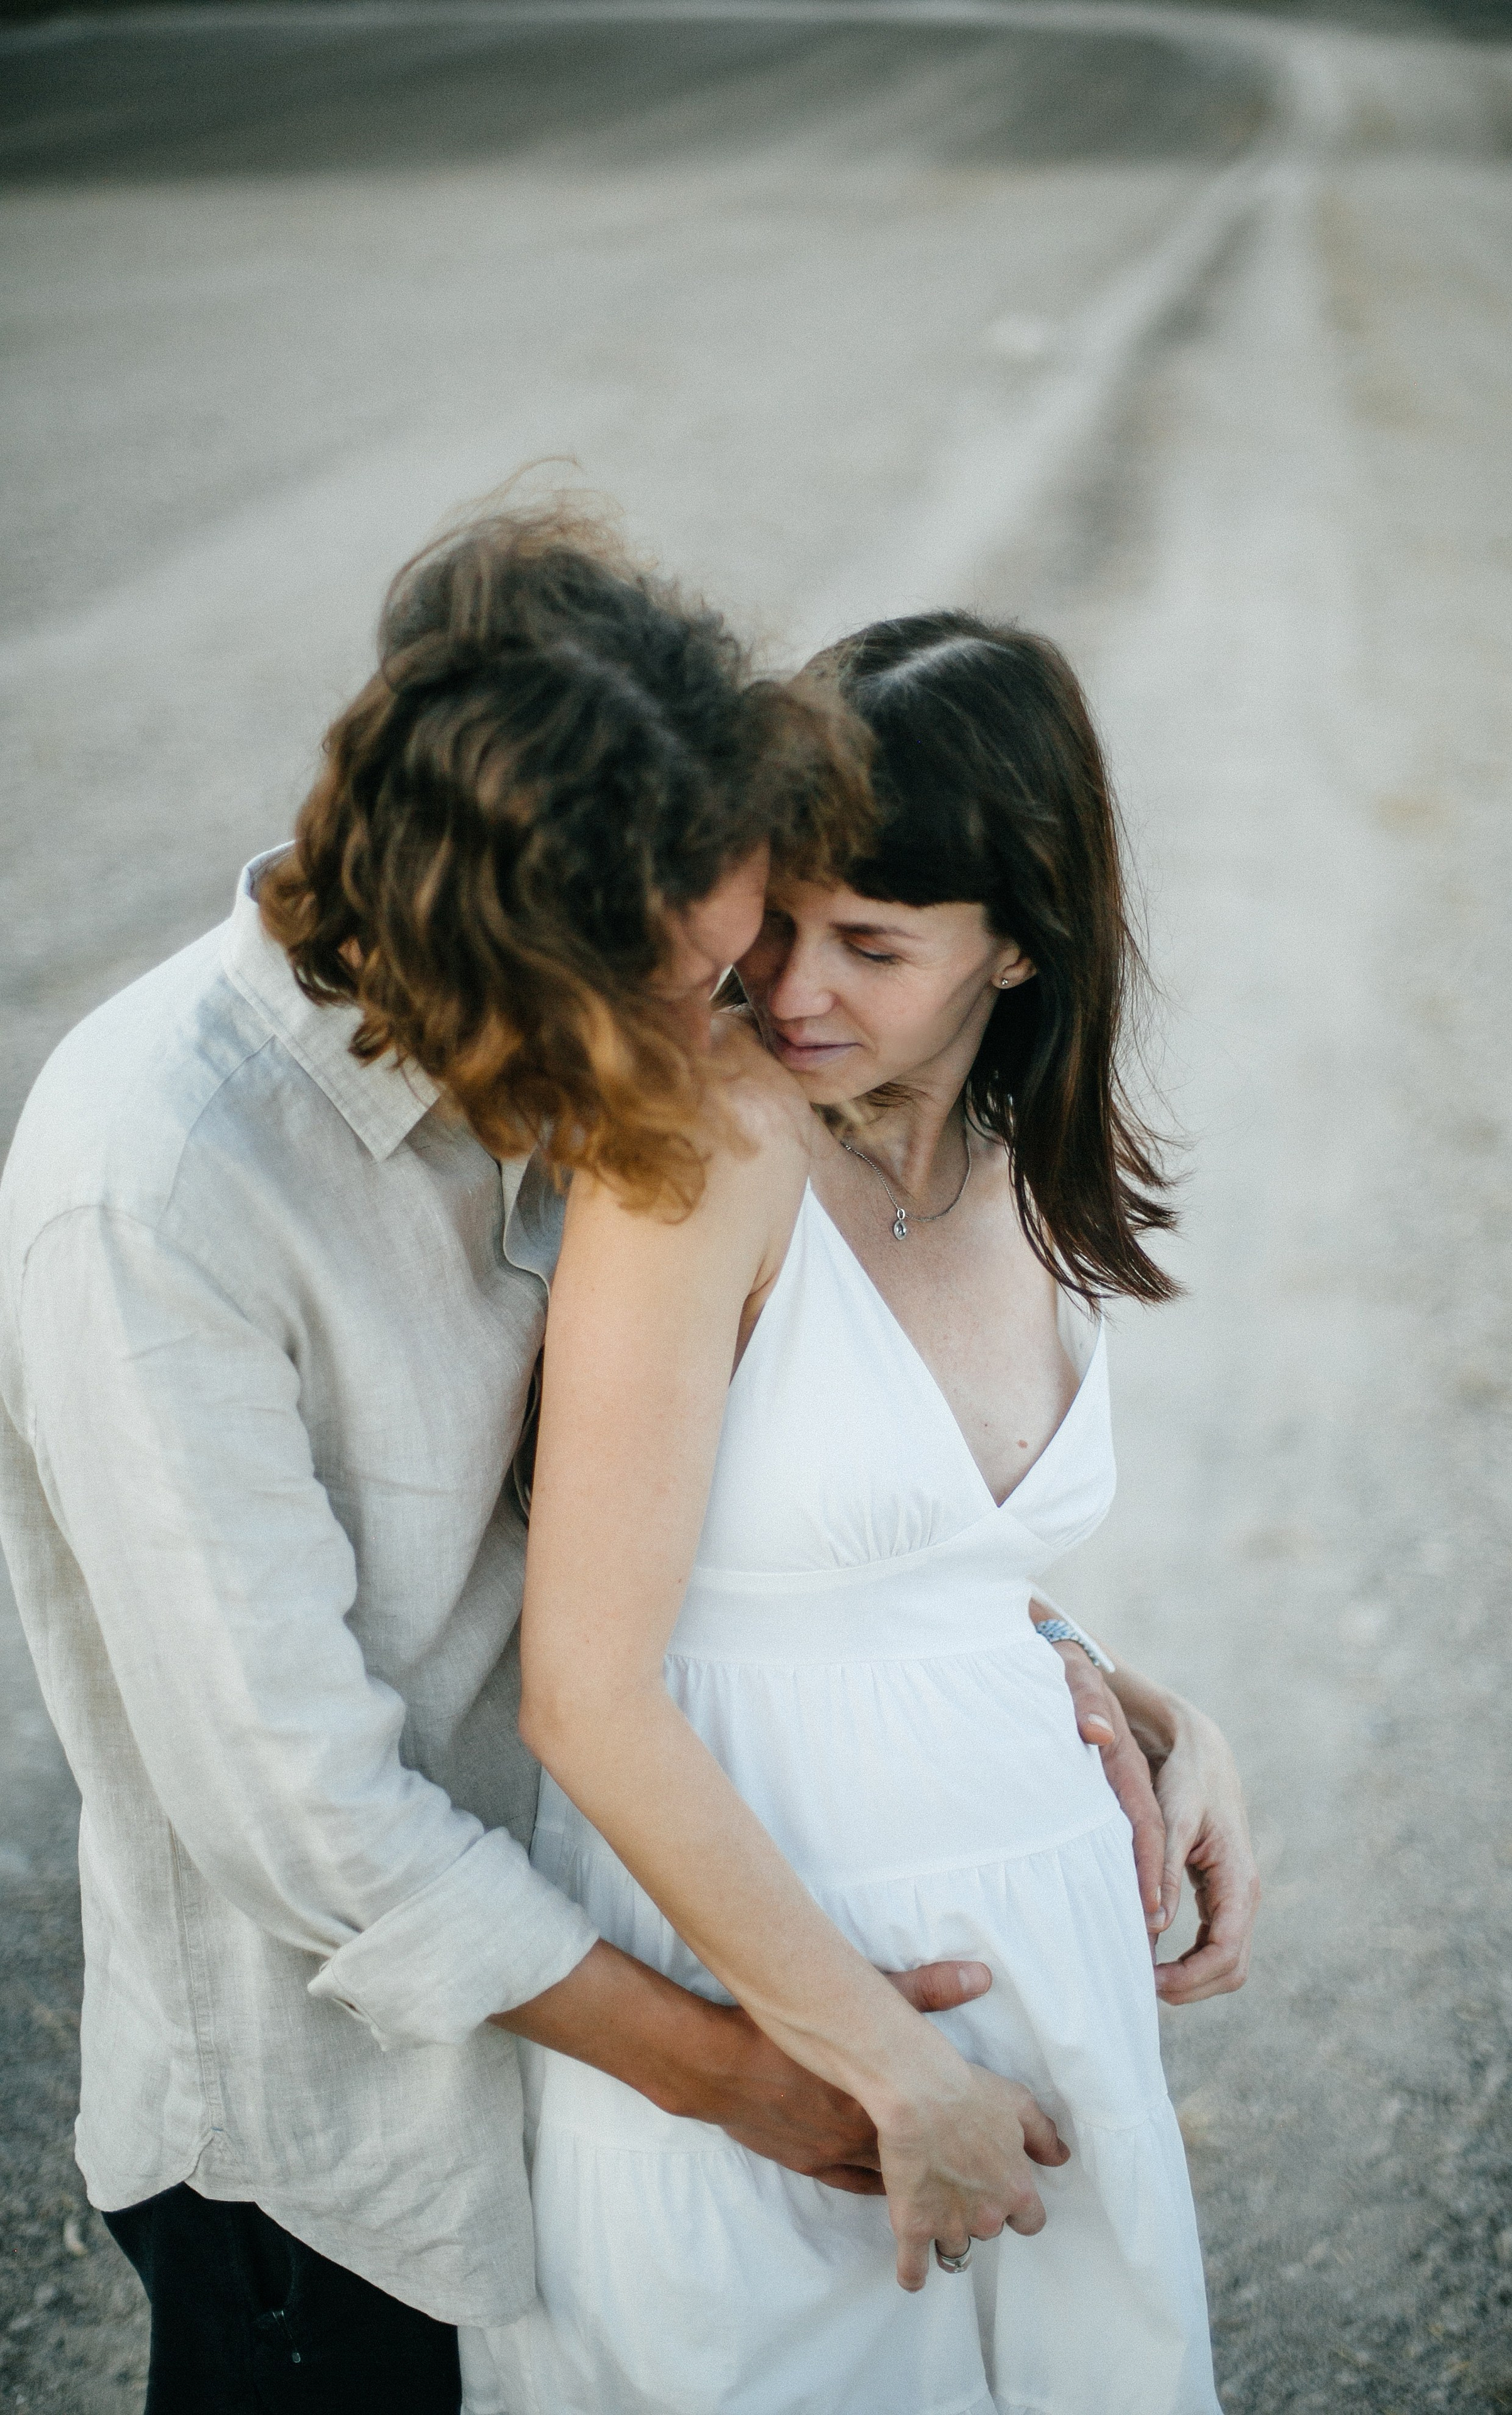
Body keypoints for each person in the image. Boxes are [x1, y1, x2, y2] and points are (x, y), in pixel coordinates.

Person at [0, 502, 1250, 2412]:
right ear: (504, 950)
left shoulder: (569, 1033)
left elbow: (750, 1504)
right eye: (692, 984)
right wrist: (748, 2070)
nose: (736, 1029)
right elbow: (306, 1813)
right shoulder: (159, 1188)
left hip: (653, 1988)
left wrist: (1080, 1674)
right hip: (358, 2128)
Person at [465, 609, 1251, 2414]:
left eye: (874, 945)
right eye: (781, 921)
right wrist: (894, 2065)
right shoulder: (708, 1148)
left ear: (1021, 947)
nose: (795, 988)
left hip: (1050, 1977)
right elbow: (585, 1694)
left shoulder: (1022, 1164)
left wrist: (1161, 1715)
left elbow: (923, 1578)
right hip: (784, 2000)